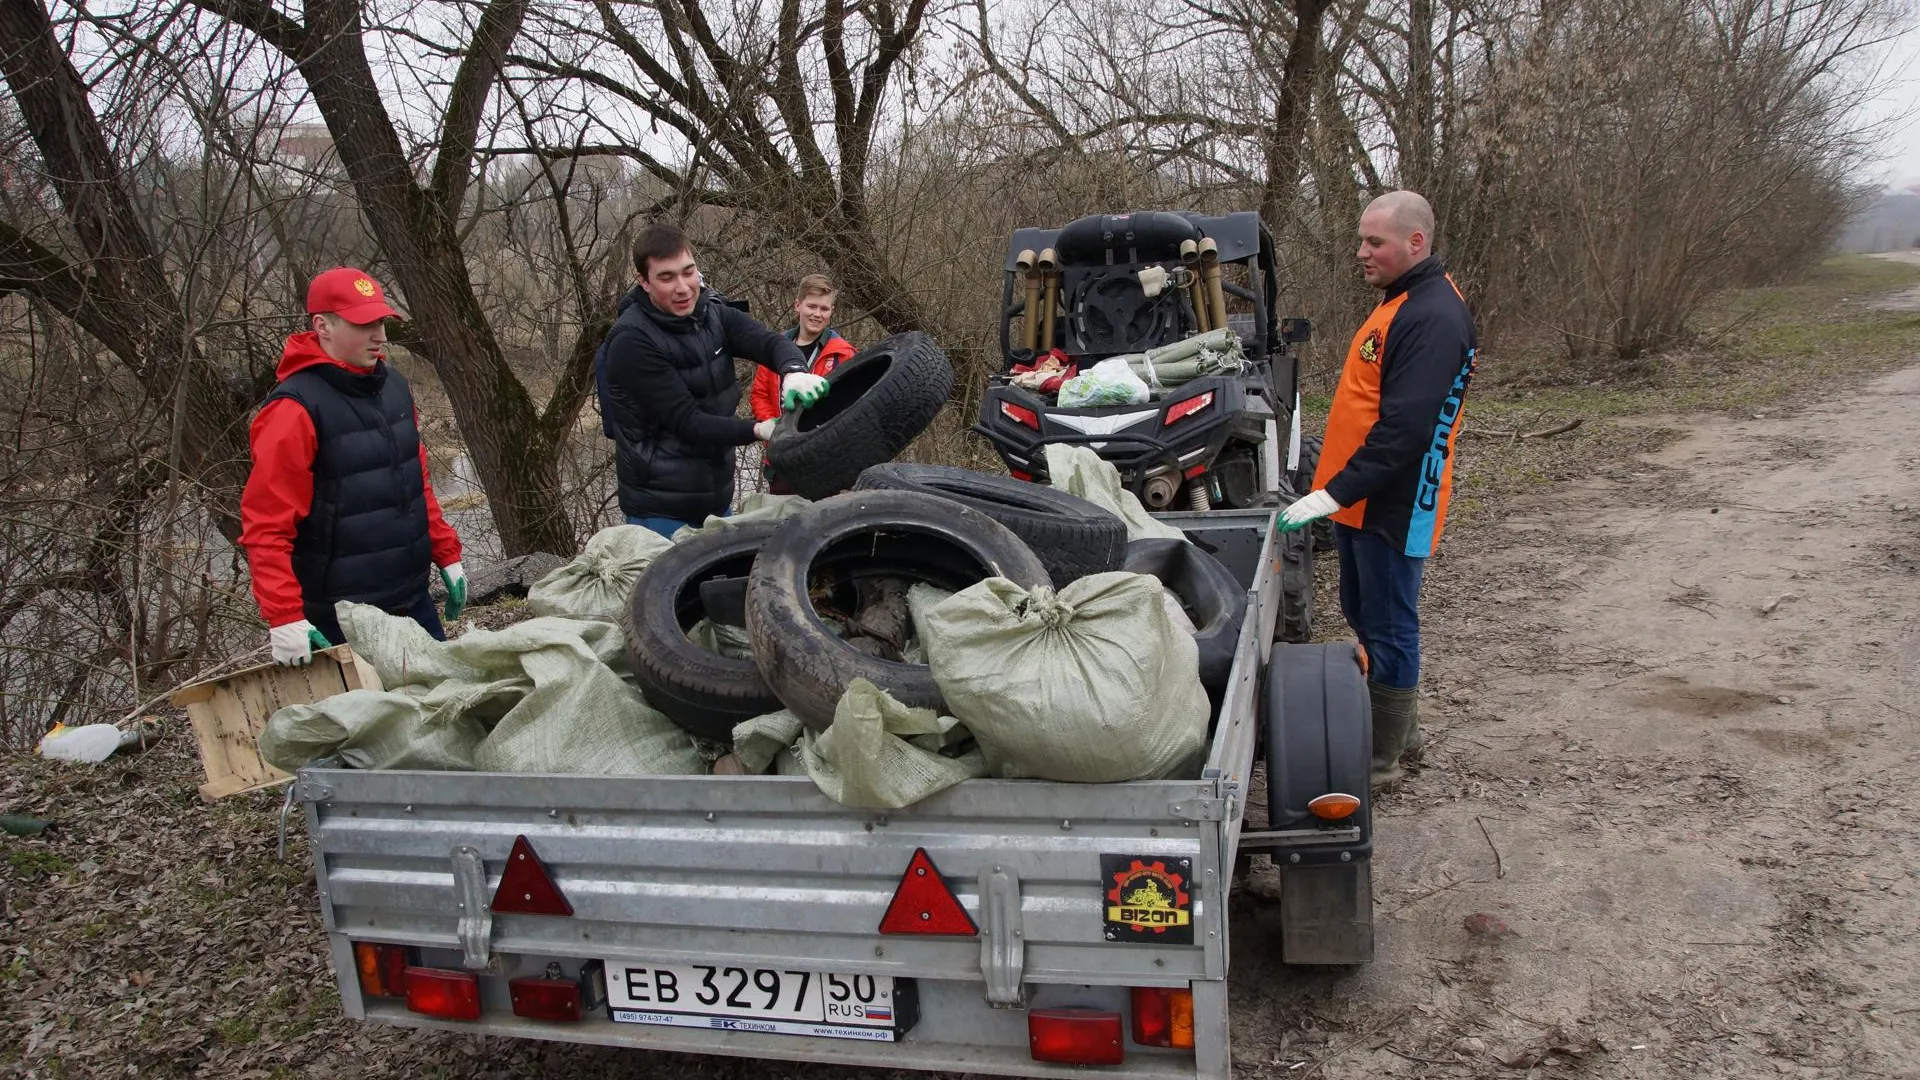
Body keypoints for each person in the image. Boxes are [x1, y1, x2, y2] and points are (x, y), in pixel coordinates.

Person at [1277, 190, 1478, 785]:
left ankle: (1384, 755)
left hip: (1393, 500)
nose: (1360, 252)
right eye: (1361, 239)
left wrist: (1331, 494)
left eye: (1375, 242)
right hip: (1359, 500)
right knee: (1364, 611)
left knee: (1391, 623)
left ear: (1415, 243)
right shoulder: (1400, 301)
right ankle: (1402, 731)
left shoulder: (1434, 317)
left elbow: (1406, 432)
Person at [240, 268, 467, 667]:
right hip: (341, 617)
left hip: (412, 597)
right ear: (322, 325)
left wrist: (446, 553)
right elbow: (267, 525)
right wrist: (284, 616)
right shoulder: (293, 410)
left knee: (447, 708)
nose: (379, 335)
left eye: (380, 321)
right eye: (363, 324)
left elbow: (417, 483)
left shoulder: (393, 386)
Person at [601, 224, 828, 537]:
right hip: (659, 511)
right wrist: (760, 429)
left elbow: (768, 341)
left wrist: (793, 371)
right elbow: (688, 422)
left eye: (688, 271)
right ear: (644, 282)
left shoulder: (711, 312)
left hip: (715, 497)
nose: (683, 287)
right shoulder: (632, 341)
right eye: (666, 277)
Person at [750, 273, 858, 493]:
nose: (817, 314)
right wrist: (775, 428)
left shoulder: (844, 354)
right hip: (782, 459)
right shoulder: (775, 348)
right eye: (812, 306)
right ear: (797, 305)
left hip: (823, 462)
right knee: (781, 523)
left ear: (832, 311)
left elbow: (854, 407)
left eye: (824, 309)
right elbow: (759, 394)